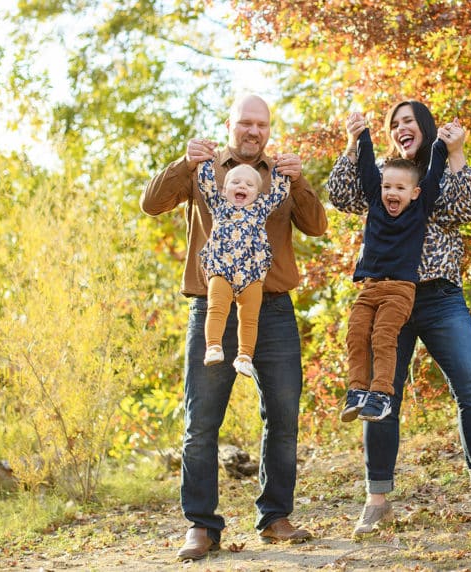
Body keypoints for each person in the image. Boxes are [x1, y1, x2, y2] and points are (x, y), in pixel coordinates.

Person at [327, 100, 471, 537]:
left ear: (426, 128)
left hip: (440, 296)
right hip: (385, 296)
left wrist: (456, 153)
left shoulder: (435, 175)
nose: (403, 127)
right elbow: (341, 196)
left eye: (410, 121)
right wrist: (351, 143)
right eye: (394, 123)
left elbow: (467, 210)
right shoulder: (385, 176)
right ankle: (377, 500)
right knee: (383, 396)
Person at [141, 94, 327, 560]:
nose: (253, 131)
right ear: (230, 126)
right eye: (245, 123)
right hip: (214, 308)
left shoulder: (281, 175)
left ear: (268, 129)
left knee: (282, 418)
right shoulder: (202, 168)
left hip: (274, 309)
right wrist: (183, 164)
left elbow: (317, 225)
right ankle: (201, 527)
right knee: (201, 422)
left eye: (261, 124)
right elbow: (151, 203)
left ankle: (275, 517)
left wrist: (300, 180)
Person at [341, 114, 449, 423]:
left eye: (400, 188)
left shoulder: (420, 207)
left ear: (414, 193)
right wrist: (361, 134)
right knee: (356, 332)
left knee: (383, 336)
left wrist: (442, 142)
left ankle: (382, 395)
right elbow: (365, 168)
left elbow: (435, 170)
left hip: (400, 289)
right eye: (387, 186)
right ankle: (358, 390)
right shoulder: (376, 200)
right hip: (370, 286)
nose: (391, 192)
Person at [197, 161, 289, 376]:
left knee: (249, 317)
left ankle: (245, 356)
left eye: (249, 185)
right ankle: (213, 347)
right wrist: (205, 161)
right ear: (224, 189)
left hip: (252, 272)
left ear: (257, 193)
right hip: (221, 268)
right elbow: (205, 184)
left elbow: (279, 193)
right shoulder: (218, 205)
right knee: (216, 307)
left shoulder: (260, 208)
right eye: (235, 182)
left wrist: (280, 169)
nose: (242, 186)